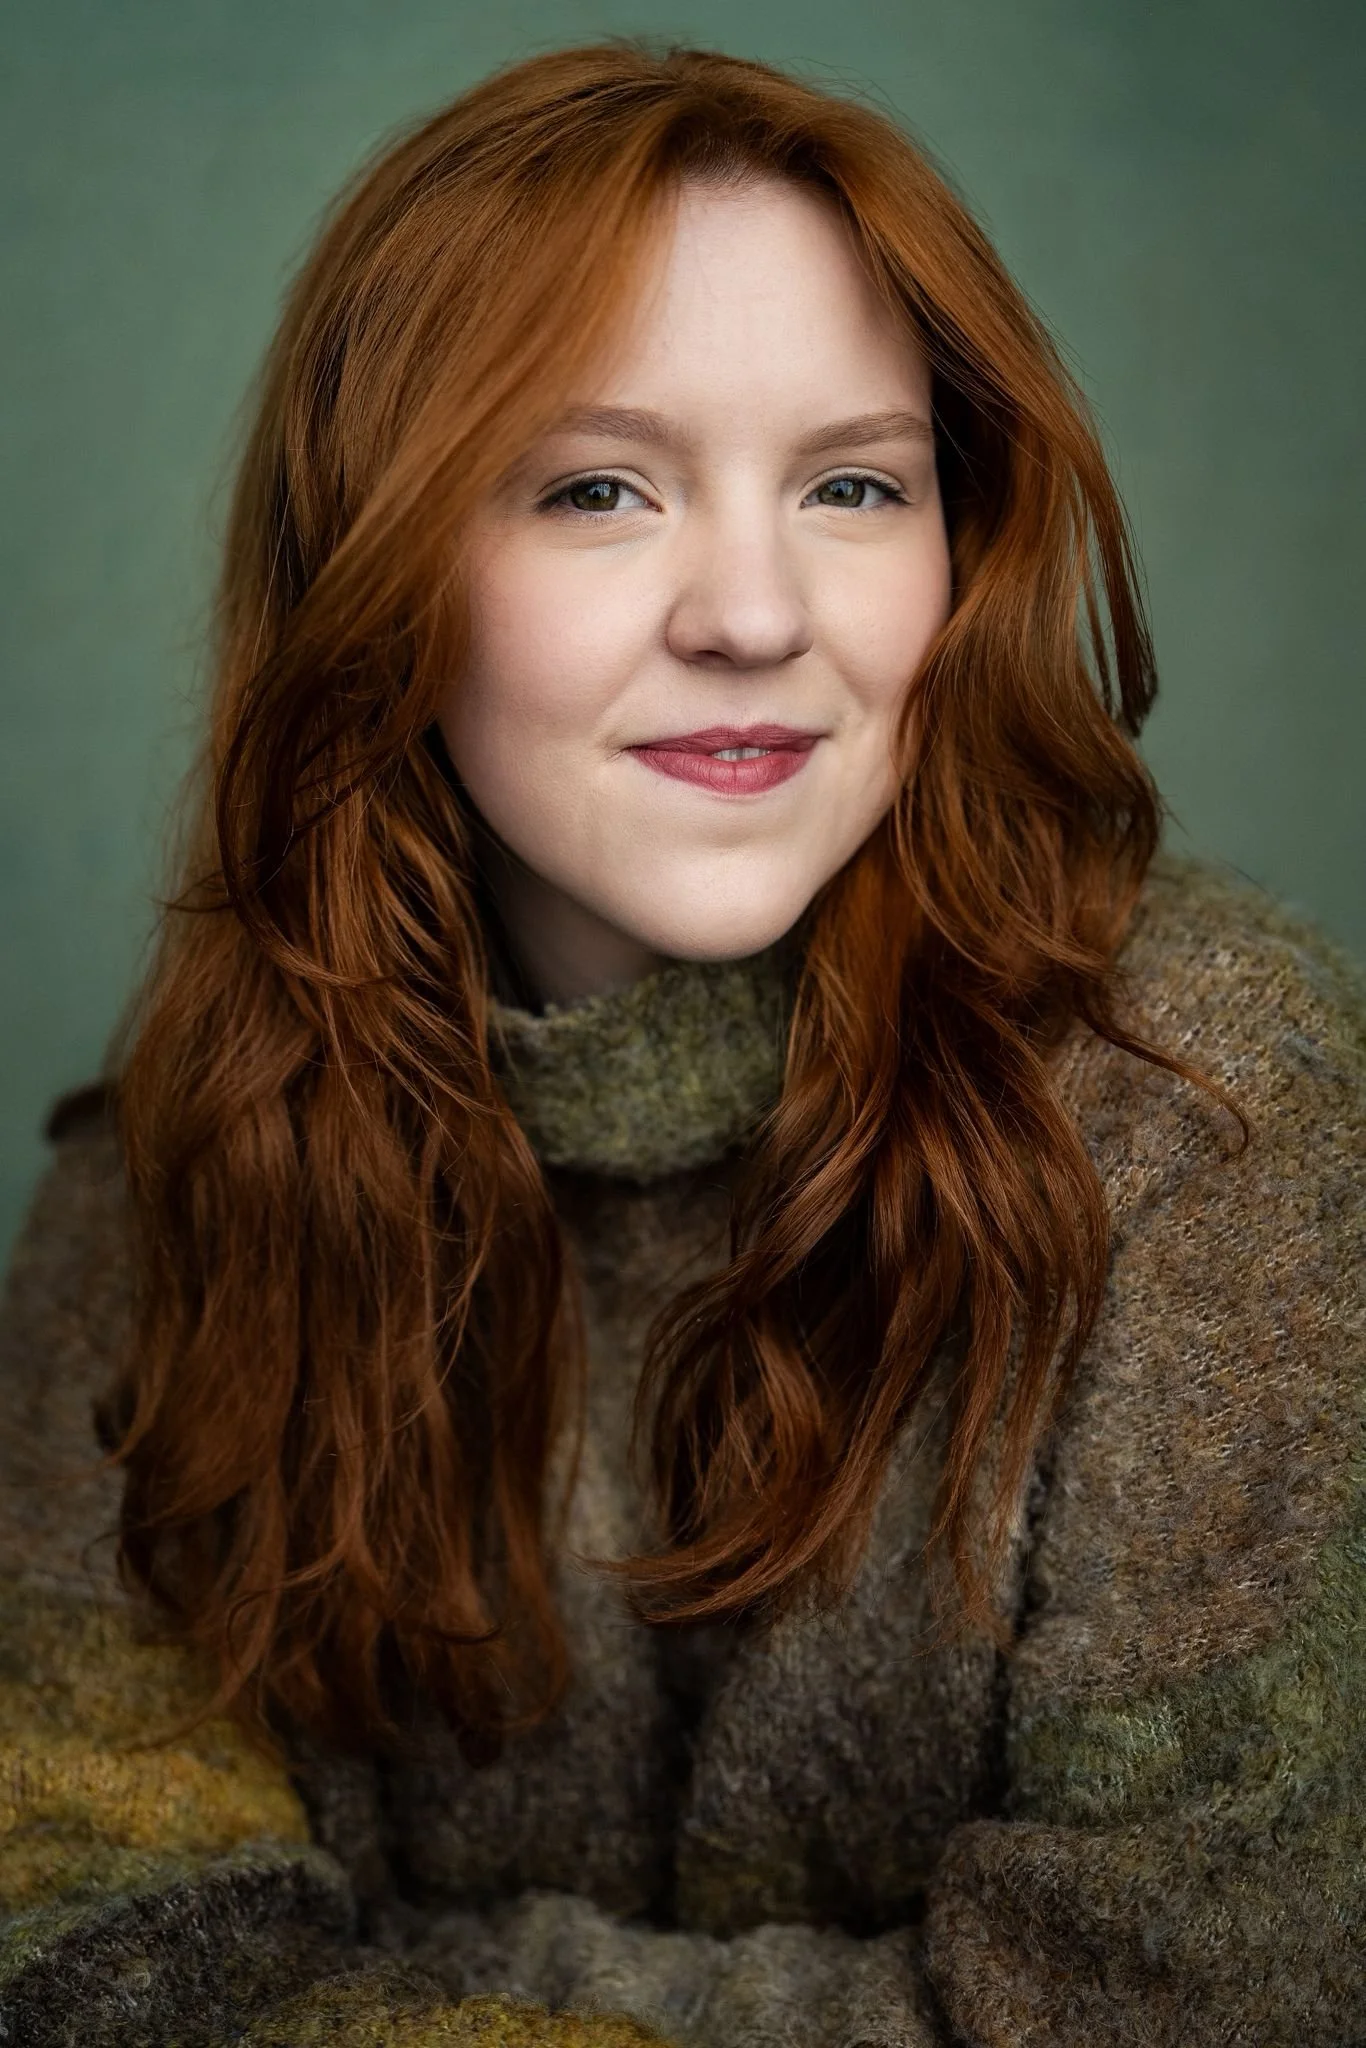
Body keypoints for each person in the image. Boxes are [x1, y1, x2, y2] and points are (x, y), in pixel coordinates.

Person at [0, 40, 1362, 2048]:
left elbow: (1193, 2001)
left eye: (849, 485)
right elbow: (95, 1956)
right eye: (596, 487)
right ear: (383, 571)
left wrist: (400, 1989)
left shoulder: (1205, 1098)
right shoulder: (169, 1170)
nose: (750, 609)